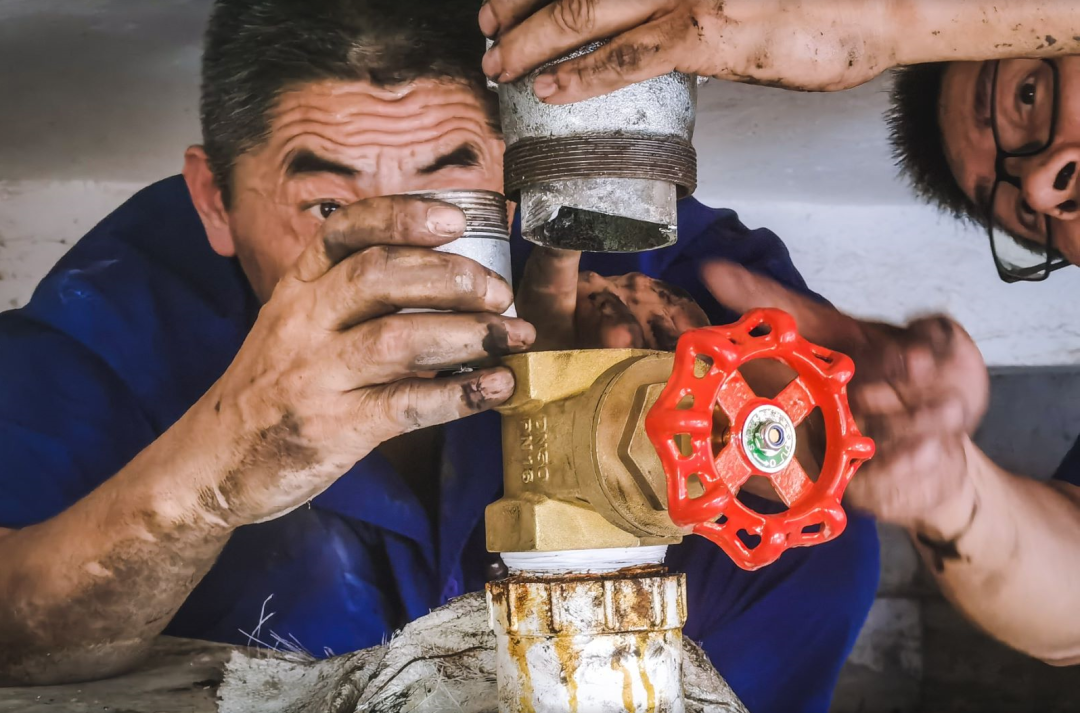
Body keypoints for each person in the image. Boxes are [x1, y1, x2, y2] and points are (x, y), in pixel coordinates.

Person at [0, 1, 879, 711]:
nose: (400, 263)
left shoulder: (643, 264)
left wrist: (677, 421)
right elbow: (14, 639)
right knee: (292, 593)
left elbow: (829, 462)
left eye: (450, 192)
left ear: (511, 166)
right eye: (329, 210)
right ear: (214, 201)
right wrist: (214, 474)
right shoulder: (113, 322)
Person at [483, 0, 1080, 665]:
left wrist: (887, 24)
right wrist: (953, 489)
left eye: (1033, 222)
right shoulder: (700, 272)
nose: (1043, 188)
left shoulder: (807, 579)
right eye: (1027, 95)